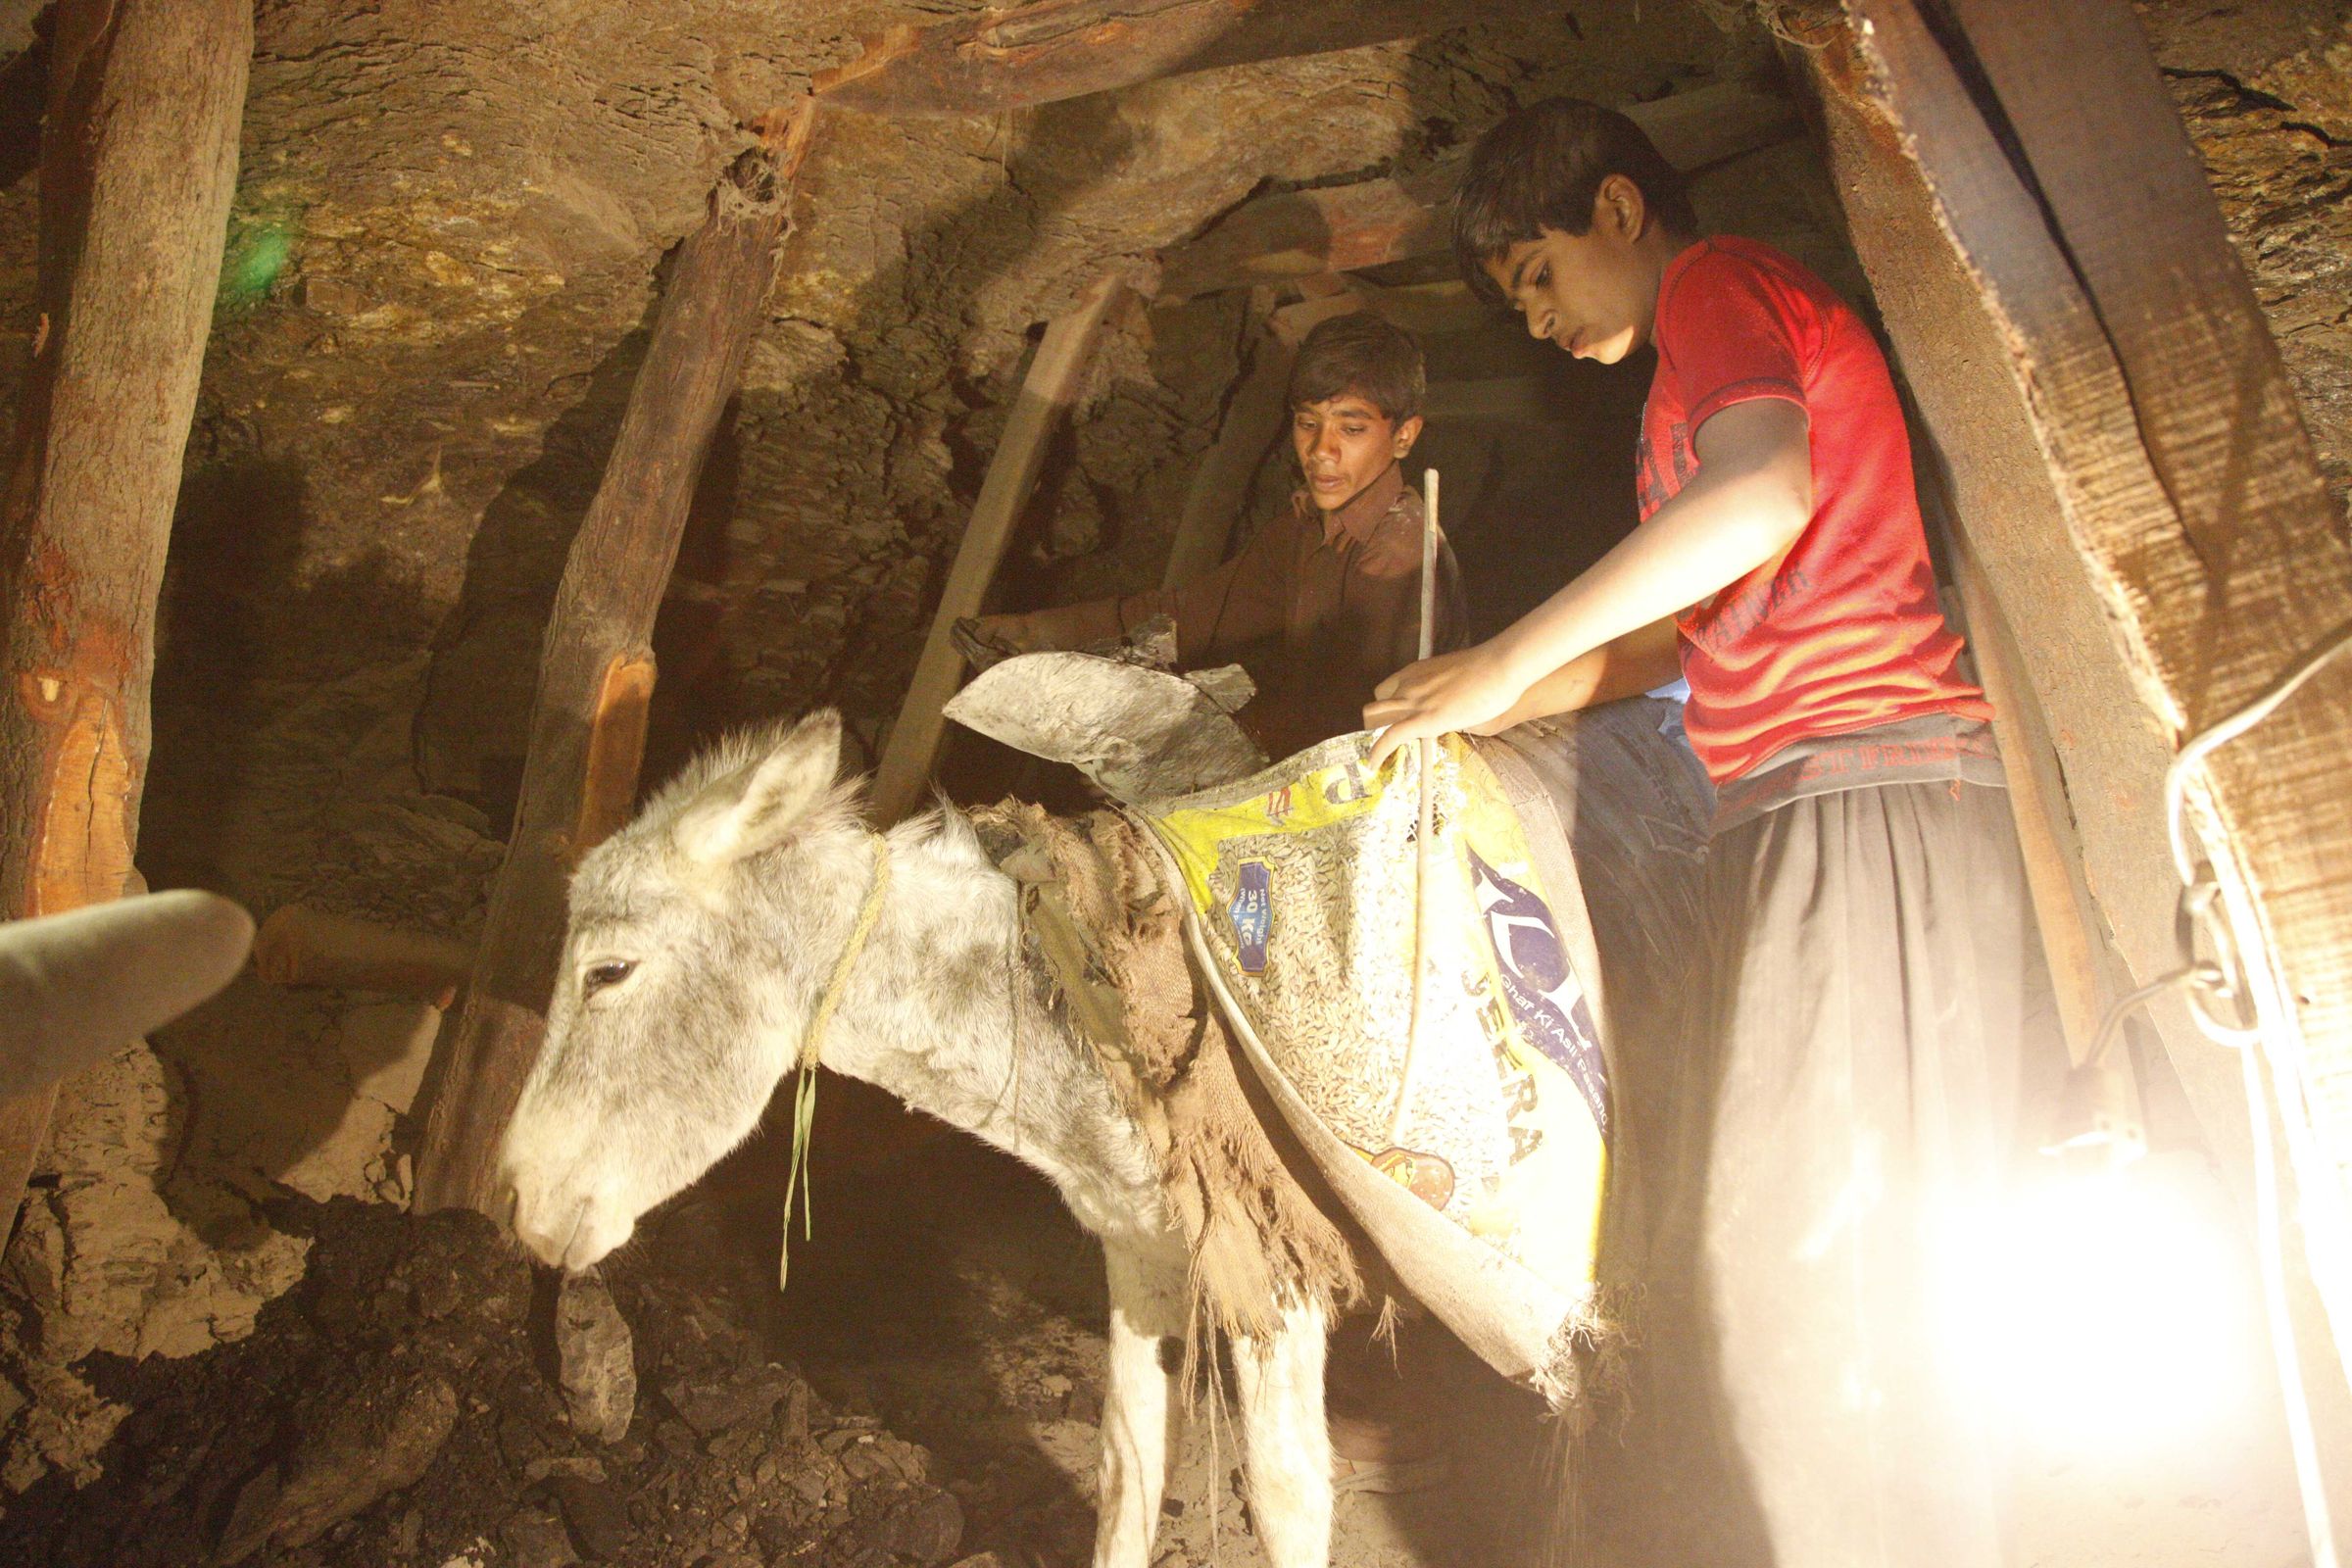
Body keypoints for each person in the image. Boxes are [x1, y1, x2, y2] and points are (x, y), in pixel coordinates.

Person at [1368, 98, 2040, 1565]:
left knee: (1820, 1272)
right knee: (1827, 1264)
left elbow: (1763, 493)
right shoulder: (1683, 392)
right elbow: (1682, 638)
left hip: (1867, 788)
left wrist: (1503, 655)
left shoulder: (1721, 287)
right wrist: (1472, 705)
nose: (1537, 320)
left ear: (1618, 210)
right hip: (1814, 804)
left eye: (1538, 274)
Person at [966, 310, 1467, 760]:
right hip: (1308, 753)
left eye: (1351, 429)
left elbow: (1350, 712)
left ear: (1403, 436)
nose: (1321, 450)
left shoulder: (1400, 546)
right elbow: (1192, 617)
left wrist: (1177, 746)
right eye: (1307, 423)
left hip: (1383, 779)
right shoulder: (1303, 529)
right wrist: (1036, 633)